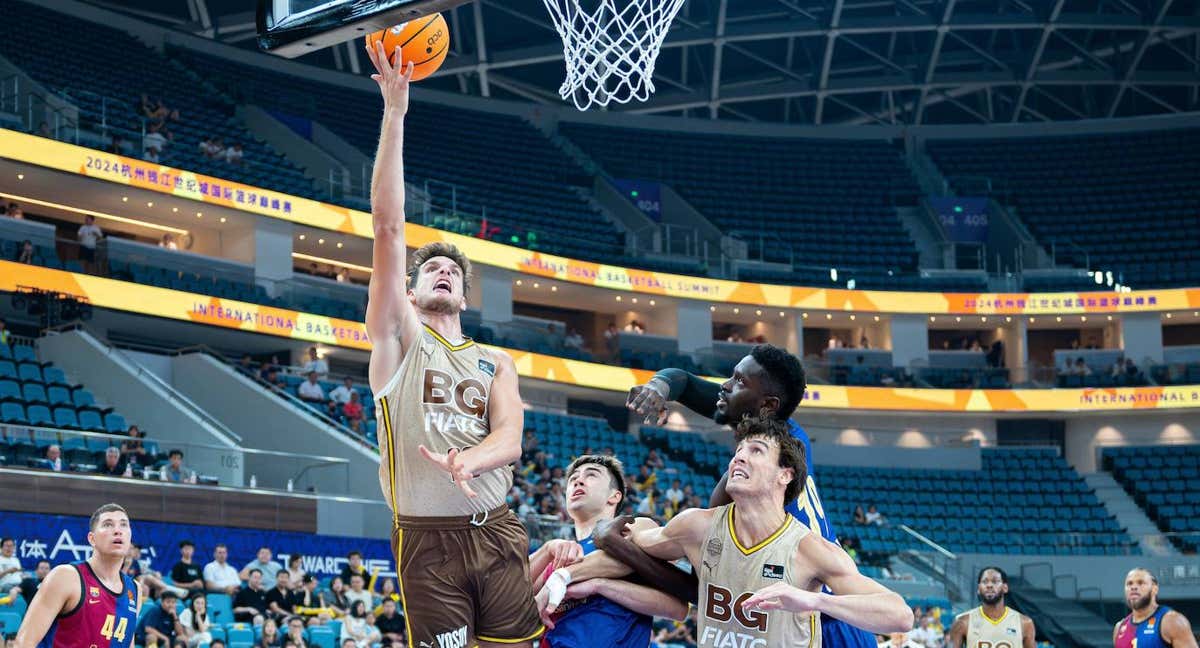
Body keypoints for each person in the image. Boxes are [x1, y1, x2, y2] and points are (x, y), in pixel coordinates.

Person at [364, 37, 542, 648]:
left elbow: (511, 438)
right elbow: (388, 228)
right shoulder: (398, 339)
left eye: (455, 273)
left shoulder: (496, 361)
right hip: (427, 538)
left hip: (497, 530)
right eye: (431, 269)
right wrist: (395, 113)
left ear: (464, 296)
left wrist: (473, 458)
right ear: (408, 293)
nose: (444, 272)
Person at [537, 414, 913, 645]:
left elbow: (899, 615)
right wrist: (569, 575)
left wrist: (815, 601)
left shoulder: (808, 549)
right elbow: (637, 539)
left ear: (786, 475)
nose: (739, 456)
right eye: (738, 450)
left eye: (756, 451)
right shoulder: (697, 526)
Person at [624, 343, 879, 648]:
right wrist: (658, 387)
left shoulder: (760, 469)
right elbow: (684, 381)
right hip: (812, 609)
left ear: (767, 405)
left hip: (820, 619)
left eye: (740, 382)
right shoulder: (775, 434)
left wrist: (617, 546)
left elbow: (698, 585)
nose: (726, 386)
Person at [529, 454, 688, 647]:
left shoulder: (635, 528)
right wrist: (547, 548)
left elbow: (677, 608)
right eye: (573, 479)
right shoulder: (559, 553)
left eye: (591, 475)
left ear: (615, 496)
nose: (578, 480)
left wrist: (600, 585)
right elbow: (509, 592)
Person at [13, 503, 142, 647]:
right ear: (92, 539)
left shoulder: (135, 590)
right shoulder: (66, 577)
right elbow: (24, 643)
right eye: (108, 524)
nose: (118, 530)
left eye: (124, 525)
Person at [944, 567, 1035, 648]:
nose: (989, 585)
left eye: (995, 581)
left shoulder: (1024, 623)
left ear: (1005, 588)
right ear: (979, 589)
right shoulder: (962, 622)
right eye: (985, 582)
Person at [1113, 568, 1197, 648]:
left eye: (1140, 583)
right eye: (1129, 583)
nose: (1133, 587)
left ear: (1155, 589)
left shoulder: (1172, 621)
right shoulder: (1119, 628)